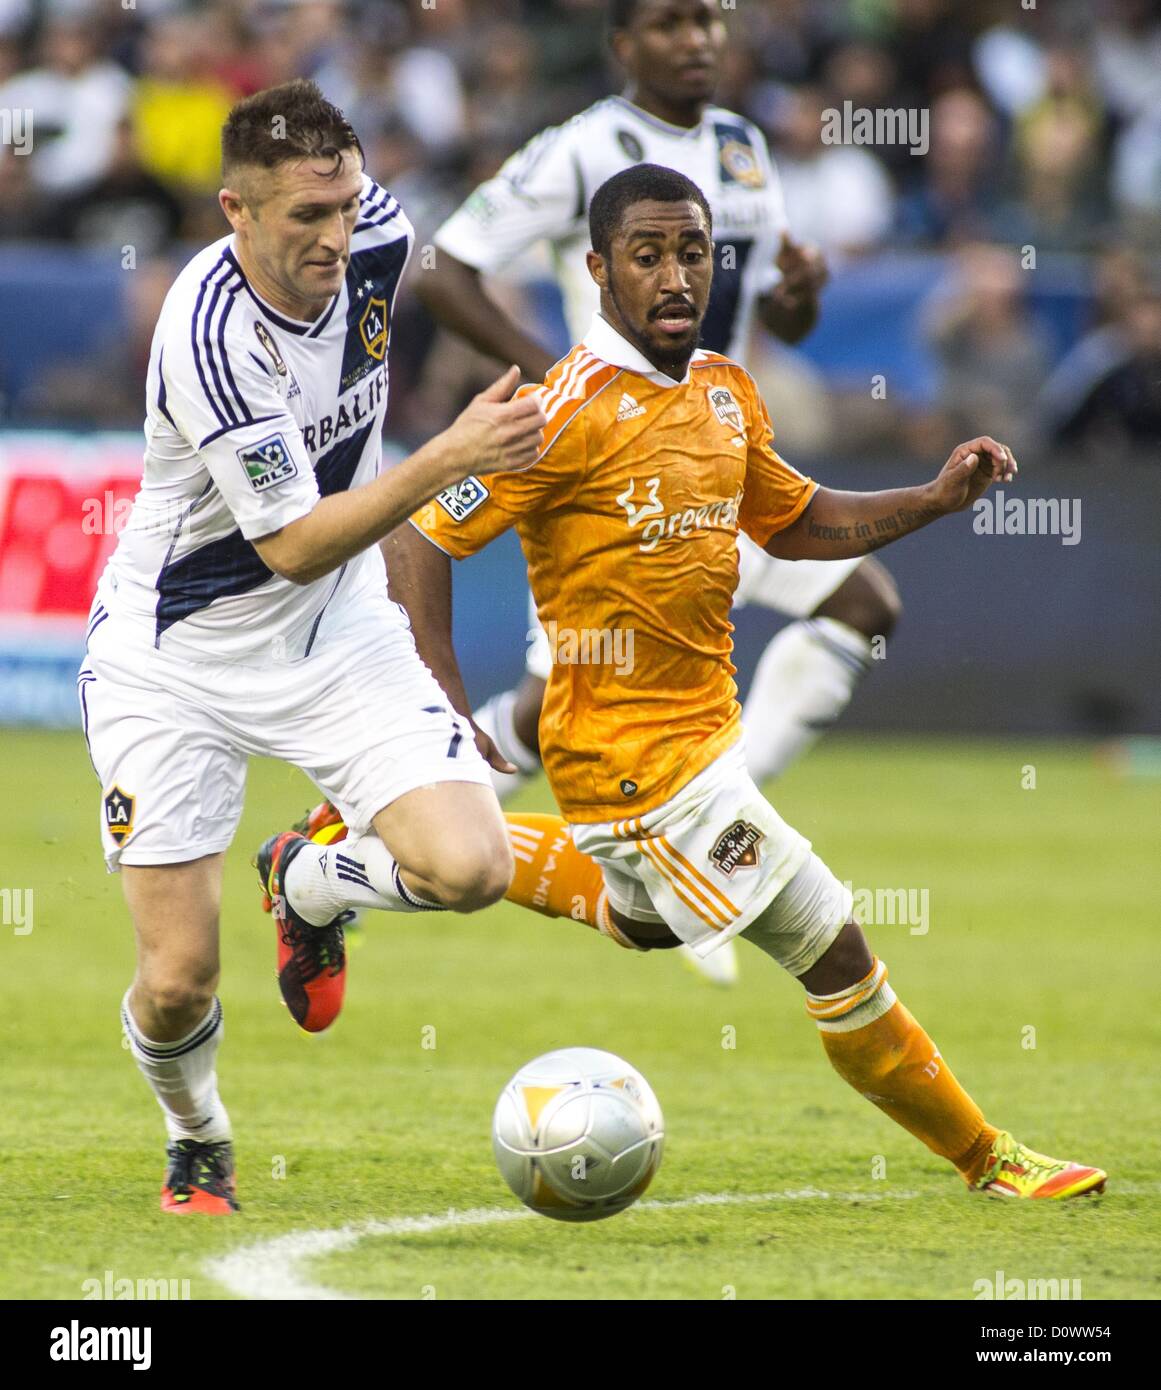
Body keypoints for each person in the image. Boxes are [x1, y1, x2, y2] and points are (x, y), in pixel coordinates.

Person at [282, 164, 1104, 1201]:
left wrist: (934, 497)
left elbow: (796, 523)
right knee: (827, 939)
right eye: (648, 255)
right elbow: (417, 534)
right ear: (597, 270)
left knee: (650, 920)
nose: (677, 275)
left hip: (698, 737)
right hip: (632, 763)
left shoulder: (721, 386)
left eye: (694, 253)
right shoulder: (561, 410)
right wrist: (441, 708)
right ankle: (991, 1159)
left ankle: (320, 871)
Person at [77, 79, 545, 1214]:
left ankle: (312, 878)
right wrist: (449, 456)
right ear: (236, 211)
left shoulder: (376, 229)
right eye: (304, 217)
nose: (337, 234)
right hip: (174, 661)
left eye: (344, 203)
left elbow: (447, 259)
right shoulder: (211, 337)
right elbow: (288, 543)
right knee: (179, 981)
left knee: (473, 867)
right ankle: (198, 1132)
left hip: (337, 633)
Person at [415, 0, 902, 986]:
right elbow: (442, 267)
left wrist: (799, 293)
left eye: (710, 22)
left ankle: (709, 831)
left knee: (862, 601)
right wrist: (565, 379)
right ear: (622, 43)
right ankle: (366, 842)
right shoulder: (583, 148)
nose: (698, 42)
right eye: (671, 23)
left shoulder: (746, 152)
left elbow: (779, 324)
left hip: (717, 454)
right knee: (562, 698)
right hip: (611, 479)